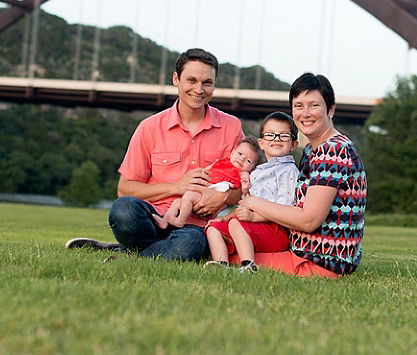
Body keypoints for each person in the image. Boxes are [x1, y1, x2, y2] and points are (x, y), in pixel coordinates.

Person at [65, 48, 243, 261]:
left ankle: (125, 254)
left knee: (190, 244)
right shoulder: (149, 127)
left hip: (194, 228)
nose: (199, 89)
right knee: (123, 209)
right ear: (176, 79)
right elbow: (125, 189)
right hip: (151, 218)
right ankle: (157, 250)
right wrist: (176, 187)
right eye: (192, 80)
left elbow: (245, 186)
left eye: (207, 83)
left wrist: (224, 196)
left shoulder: (231, 127)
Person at [233, 73, 367, 278]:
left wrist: (254, 202)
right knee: (231, 239)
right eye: (298, 106)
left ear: (331, 109)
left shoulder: (332, 151)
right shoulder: (313, 150)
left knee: (232, 254)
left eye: (314, 105)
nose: (305, 113)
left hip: (320, 260)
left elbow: (309, 220)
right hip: (306, 252)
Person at [205, 111, 298, 273]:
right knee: (214, 227)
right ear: (261, 143)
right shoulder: (258, 171)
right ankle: (222, 264)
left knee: (236, 223)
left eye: (283, 136)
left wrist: (253, 217)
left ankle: (248, 265)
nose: (276, 139)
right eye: (270, 135)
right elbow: (246, 203)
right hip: (251, 225)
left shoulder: (288, 171)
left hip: (275, 230)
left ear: (293, 145)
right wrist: (227, 216)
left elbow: (285, 209)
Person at [156, 138, 260, 230]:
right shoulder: (220, 163)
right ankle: (165, 221)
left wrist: (245, 185)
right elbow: (205, 171)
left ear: (253, 168)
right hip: (202, 192)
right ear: (232, 153)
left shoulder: (243, 173)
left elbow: (245, 190)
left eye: (248, 161)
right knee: (177, 202)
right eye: (240, 154)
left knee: (188, 196)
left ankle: (180, 221)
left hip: (213, 201)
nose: (241, 159)